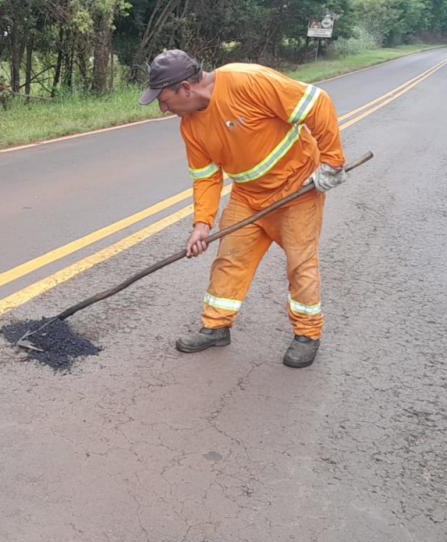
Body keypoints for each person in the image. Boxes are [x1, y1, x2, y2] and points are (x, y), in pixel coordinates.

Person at [138, 49, 346, 368]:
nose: (163, 108)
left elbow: (316, 102)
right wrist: (202, 224)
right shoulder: (190, 126)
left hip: (297, 191)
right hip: (248, 197)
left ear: (185, 88)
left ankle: (307, 335)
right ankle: (216, 327)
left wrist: (331, 161)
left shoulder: (247, 81)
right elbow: (206, 177)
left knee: (300, 265)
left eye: (164, 99)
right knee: (230, 259)